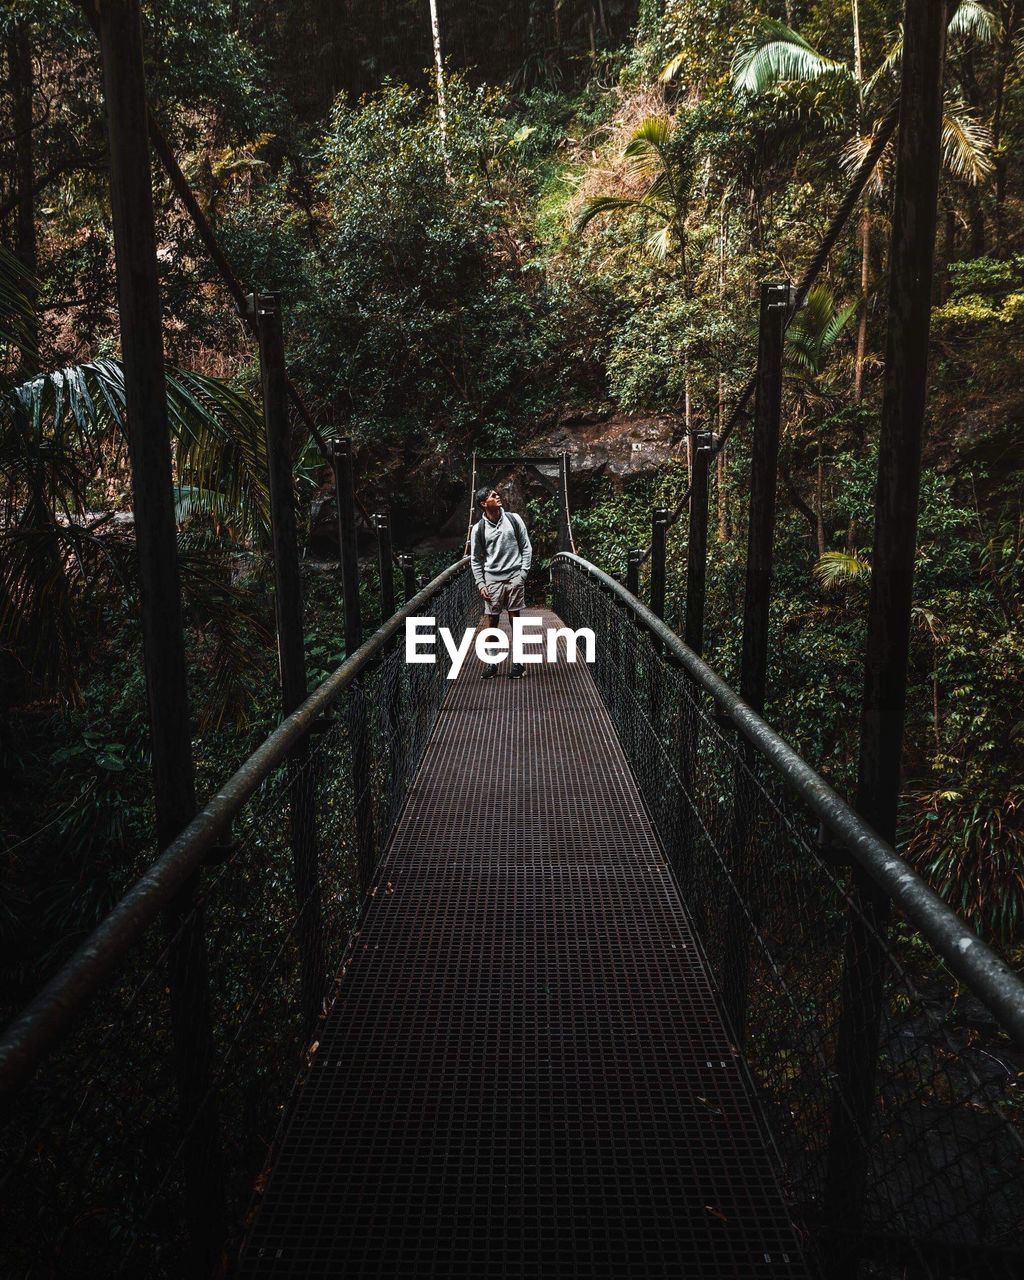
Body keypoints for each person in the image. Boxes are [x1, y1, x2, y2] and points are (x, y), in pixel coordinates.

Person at [470, 485, 533, 679]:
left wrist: (522, 575)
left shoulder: (514, 520)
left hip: (514, 576)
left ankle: (519, 663)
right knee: (492, 621)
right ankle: (491, 662)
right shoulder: (478, 529)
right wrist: (481, 584)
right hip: (492, 580)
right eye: (492, 495)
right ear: (483, 504)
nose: (498, 496)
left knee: (516, 620)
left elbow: (526, 547)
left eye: (497, 494)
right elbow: (476, 559)